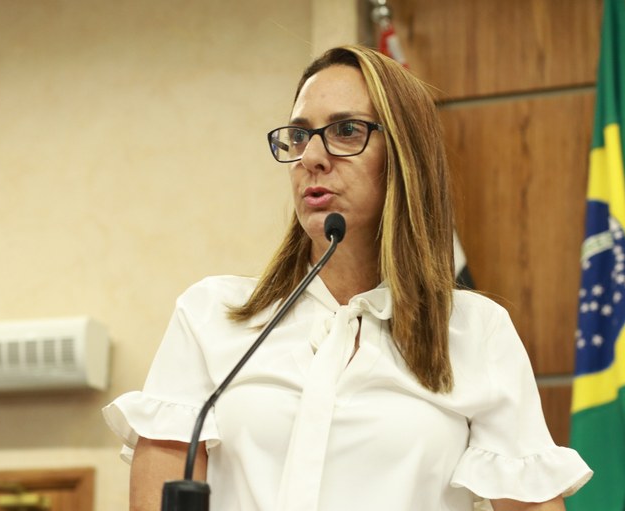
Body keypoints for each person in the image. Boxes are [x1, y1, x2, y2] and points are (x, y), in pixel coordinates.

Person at [103, 45, 592, 511]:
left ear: (403, 155)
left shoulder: (475, 331)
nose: (311, 157)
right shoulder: (211, 314)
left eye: (345, 130)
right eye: (299, 136)